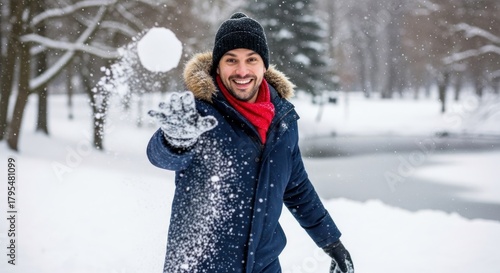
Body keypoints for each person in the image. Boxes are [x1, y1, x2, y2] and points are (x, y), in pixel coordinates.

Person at [147, 12, 354, 273]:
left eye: (251, 60)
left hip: (264, 264)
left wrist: (331, 241)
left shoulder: (283, 120)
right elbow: (160, 156)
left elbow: (296, 186)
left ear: (264, 65)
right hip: (201, 265)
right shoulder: (199, 113)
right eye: (231, 60)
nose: (242, 71)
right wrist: (174, 140)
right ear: (217, 67)